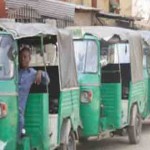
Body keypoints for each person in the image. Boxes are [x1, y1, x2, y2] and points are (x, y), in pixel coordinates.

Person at [18, 46, 50, 137]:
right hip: (9, 105)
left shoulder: (32, 73)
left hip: (19, 110)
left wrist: (40, 72)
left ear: (29, 59)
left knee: (20, 120)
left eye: (25, 57)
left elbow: (47, 81)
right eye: (21, 57)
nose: (22, 59)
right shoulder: (14, 72)